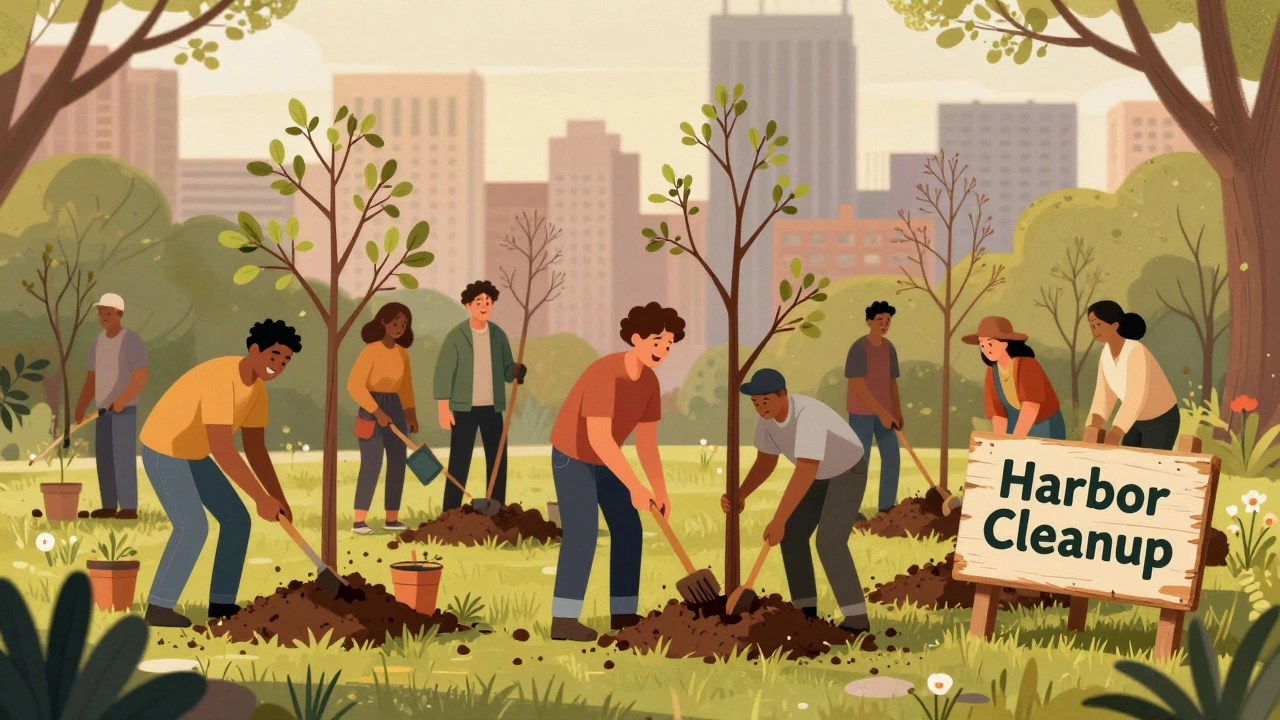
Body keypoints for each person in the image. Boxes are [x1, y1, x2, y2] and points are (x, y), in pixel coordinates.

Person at [138, 319, 300, 628]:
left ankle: (222, 605)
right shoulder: (221, 378)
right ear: (254, 350)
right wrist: (259, 497)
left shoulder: (257, 392)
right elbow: (223, 449)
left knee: (237, 520)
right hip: (165, 449)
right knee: (192, 527)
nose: (278, 365)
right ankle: (159, 607)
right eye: (274, 356)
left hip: (194, 454)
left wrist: (276, 497)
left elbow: (255, 449)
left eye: (285, 361)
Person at [546, 302, 684, 642]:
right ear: (636, 338)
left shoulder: (650, 383)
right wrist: (636, 487)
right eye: (656, 341)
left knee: (628, 528)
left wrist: (659, 490)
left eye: (668, 345)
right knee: (583, 533)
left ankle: (623, 614)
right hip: (574, 456)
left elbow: (646, 443)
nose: (662, 350)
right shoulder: (603, 374)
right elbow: (598, 437)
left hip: (608, 460)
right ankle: (564, 620)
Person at [724, 368, 871, 634]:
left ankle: (856, 619)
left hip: (847, 471)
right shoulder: (766, 420)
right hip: (818, 475)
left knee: (829, 542)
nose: (760, 407)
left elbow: (805, 469)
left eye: (766, 400)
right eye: (755, 402)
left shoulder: (807, 415)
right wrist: (740, 494)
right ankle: (805, 613)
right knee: (792, 535)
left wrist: (779, 519)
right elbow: (766, 462)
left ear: (784, 395)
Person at [434, 280, 527, 511]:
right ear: (468, 305)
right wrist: (443, 410)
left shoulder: (498, 335)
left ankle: (496, 508)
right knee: (459, 460)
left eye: (488, 302)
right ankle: (450, 511)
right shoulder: (457, 336)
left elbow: (507, 371)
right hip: (464, 409)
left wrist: (515, 370)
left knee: (497, 460)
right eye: (479, 302)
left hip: (492, 408)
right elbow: (443, 373)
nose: (485, 306)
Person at [74, 292, 148, 520]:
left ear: (119, 314)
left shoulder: (130, 340)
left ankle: (128, 507)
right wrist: (81, 406)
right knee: (104, 457)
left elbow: (140, 376)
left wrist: (122, 400)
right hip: (101, 411)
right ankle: (108, 505)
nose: (104, 316)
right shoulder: (98, 342)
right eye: (101, 312)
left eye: (109, 312)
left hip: (124, 410)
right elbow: (91, 378)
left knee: (123, 456)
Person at [347, 302, 418, 535]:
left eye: (404, 324)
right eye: (396, 321)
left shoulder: (402, 354)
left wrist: (410, 414)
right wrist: (377, 412)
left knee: (398, 461)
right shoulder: (370, 351)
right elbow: (355, 386)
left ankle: (392, 518)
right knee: (372, 462)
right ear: (383, 322)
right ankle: (359, 521)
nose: (399, 327)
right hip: (371, 408)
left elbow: (406, 387)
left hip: (396, 408)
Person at [1086, 300, 1180, 450]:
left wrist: (1116, 431)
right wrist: (1093, 425)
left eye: (1098, 325)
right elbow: (1103, 394)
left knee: (1150, 466)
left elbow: (1136, 396)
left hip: (1161, 419)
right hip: (1136, 419)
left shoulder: (1136, 351)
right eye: (1092, 326)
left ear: (1115, 325)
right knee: (1128, 462)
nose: (1094, 330)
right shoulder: (1105, 354)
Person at [963, 316, 1066, 439]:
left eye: (990, 343)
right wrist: (1000, 441)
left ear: (1005, 343)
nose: (986, 350)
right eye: (982, 345)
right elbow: (998, 414)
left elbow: (1031, 406)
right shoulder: (992, 371)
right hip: (1014, 426)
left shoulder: (1028, 365)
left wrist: (1016, 439)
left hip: (1044, 426)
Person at [845, 300, 902, 518]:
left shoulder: (889, 349)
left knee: (892, 457)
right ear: (869, 321)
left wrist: (896, 411)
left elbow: (891, 382)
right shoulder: (859, 348)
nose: (884, 324)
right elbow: (858, 387)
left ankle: (887, 508)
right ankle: (851, 509)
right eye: (880, 320)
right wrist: (883, 412)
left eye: (888, 320)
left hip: (886, 414)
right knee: (860, 461)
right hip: (862, 414)